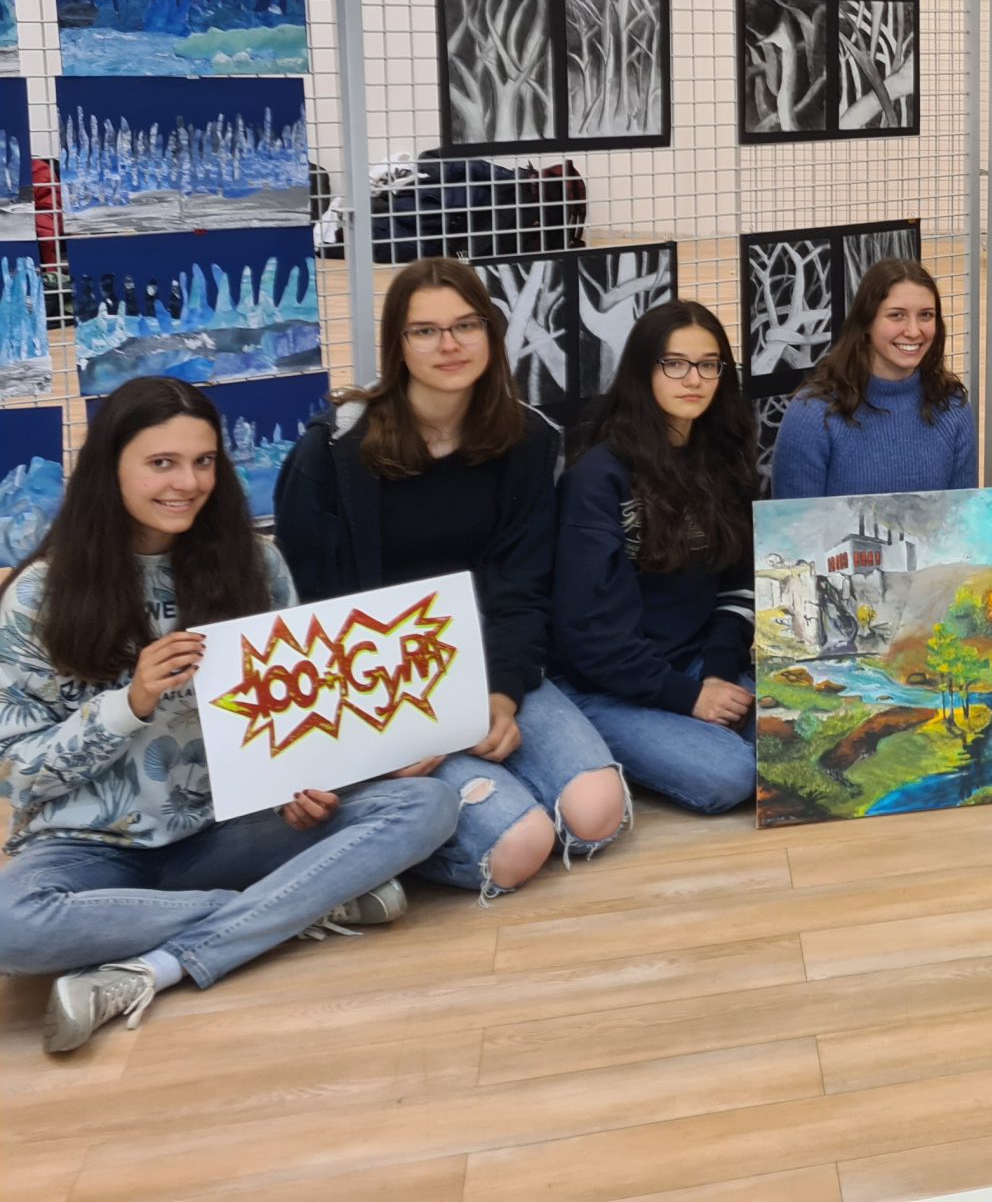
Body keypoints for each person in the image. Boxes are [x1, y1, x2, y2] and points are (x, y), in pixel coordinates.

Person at [0, 378, 456, 1054]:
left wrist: (301, 785)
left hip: (227, 831)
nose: (188, 483)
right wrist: (129, 705)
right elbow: (17, 776)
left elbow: (294, 714)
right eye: (162, 463)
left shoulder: (256, 564)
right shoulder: (38, 594)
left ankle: (157, 965)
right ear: (109, 468)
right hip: (88, 850)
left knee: (427, 804)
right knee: (10, 927)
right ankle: (300, 906)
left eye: (204, 461)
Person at [274, 257, 628, 898]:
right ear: (397, 344)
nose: (450, 345)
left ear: (491, 333)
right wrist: (395, 730)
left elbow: (522, 586)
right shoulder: (331, 452)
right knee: (520, 849)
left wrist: (502, 694)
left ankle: (482, 801)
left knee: (596, 813)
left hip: (486, 662)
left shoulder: (529, 439)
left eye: (467, 325)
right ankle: (378, 839)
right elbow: (311, 609)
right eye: (425, 331)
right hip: (380, 684)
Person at [552, 301, 761, 814]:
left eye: (709, 364)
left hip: (695, 662)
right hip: (605, 686)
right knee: (731, 775)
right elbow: (589, 631)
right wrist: (686, 698)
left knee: (806, 740)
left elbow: (738, 585)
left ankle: (678, 733)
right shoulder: (598, 476)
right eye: (675, 364)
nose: (694, 379)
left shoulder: (723, 460)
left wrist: (718, 673)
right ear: (643, 371)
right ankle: (604, 738)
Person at [772, 257, 976, 498]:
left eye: (926, 315)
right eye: (897, 315)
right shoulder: (811, 415)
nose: (913, 331)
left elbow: (962, 514)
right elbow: (794, 519)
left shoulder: (953, 407)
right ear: (867, 322)